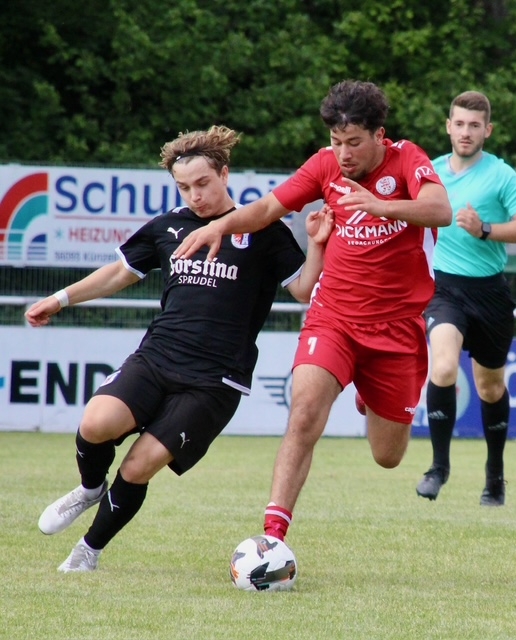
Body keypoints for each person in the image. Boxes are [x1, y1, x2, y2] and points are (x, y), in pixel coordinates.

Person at [25, 124, 333, 572]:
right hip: (157, 357)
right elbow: (120, 272)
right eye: (184, 187)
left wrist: (318, 244)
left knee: (138, 466)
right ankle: (90, 488)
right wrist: (60, 299)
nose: (195, 195)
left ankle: (87, 551)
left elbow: (304, 290)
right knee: (95, 423)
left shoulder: (263, 229)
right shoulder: (168, 226)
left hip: (214, 380)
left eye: (203, 183)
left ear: (224, 174)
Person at [174, 80, 452, 542]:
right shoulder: (324, 165)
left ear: (379, 135)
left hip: (396, 329)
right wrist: (219, 226)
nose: (343, 153)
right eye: (336, 141)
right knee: (303, 414)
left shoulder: (407, 159)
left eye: (354, 142)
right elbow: (268, 207)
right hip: (333, 318)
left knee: (388, 456)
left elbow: (440, 210)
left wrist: (381, 206)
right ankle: (272, 536)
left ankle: (368, 395)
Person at [415, 91, 516, 506]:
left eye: (474, 125)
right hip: (444, 290)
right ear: (448, 126)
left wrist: (485, 229)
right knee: (444, 365)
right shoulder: (430, 173)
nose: (466, 132)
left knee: (490, 388)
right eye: (459, 124)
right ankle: (438, 468)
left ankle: (495, 476)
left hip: (489, 294)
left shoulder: (501, 175)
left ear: (487, 130)